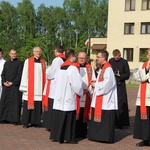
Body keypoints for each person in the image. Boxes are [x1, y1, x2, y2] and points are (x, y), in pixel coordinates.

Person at [50, 49, 83, 144]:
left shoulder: (60, 67)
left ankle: (56, 136)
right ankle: (68, 137)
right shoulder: (72, 69)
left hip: (59, 96)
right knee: (68, 117)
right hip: (68, 96)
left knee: (59, 116)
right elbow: (76, 84)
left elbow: (55, 81)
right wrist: (80, 92)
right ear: (72, 57)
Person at [87, 50, 118, 143]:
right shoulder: (102, 68)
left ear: (104, 58)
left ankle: (104, 137)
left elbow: (108, 83)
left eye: (98, 57)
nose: (97, 59)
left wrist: (96, 85)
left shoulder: (108, 69)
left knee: (104, 118)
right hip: (101, 98)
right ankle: (96, 136)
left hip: (106, 99)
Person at [19, 46, 46, 128]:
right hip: (30, 88)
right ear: (33, 52)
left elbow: (45, 74)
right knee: (28, 106)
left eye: (39, 51)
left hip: (39, 87)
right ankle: (26, 122)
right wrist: (24, 86)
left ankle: (36, 122)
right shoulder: (28, 61)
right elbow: (24, 73)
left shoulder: (43, 62)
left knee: (38, 106)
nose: (38, 53)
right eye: (36, 51)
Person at [42, 45, 66, 131]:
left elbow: (51, 73)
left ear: (56, 50)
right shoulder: (64, 59)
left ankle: (51, 125)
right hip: (60, 85)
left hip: (54, 86)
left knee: (52, 105)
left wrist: (48, 69)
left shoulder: (57, 60)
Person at [74, 51, 96, 138]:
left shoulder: (90, 67)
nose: (81, 60)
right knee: (77, 113)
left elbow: (93, 80)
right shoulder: (74, 67)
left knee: (84, 113)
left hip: (86, 94)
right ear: (77, 58)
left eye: (83, 58)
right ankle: (75, 132)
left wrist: (88, 90)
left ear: (86, 58)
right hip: (77, 94)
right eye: (80, 58)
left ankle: (83, 132)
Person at [0, 49, 23, 124]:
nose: (14, 55)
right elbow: (3, 74)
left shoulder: (20, 63)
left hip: (14, 87)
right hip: (6, 86)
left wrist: (12, 83)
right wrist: (4, 82)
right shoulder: (6, 63)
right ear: (9, 54)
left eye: (15, 53)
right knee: (5, 102)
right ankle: (4, 118)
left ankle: (15, 119)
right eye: (12, 53)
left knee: (15, 103)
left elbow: (19, 75)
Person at [133, 48, 150, 147]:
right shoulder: (143, 66)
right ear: (147, 56)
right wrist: (146, 69)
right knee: (144, 121)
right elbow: (137, 77)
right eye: (149, 55)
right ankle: (145, 139)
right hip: (144, 98)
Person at [109, 49, 130, 129]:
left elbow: (127, 75)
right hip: (112, 85)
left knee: (121, 104)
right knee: (112, 102)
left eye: (117, 56)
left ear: (120, 54)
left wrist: (120, 75)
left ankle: (121, 122)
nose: (116, 58)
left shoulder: (124, 62)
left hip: (120, 85)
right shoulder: (111, 61)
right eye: (114, 56)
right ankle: (113, 121)